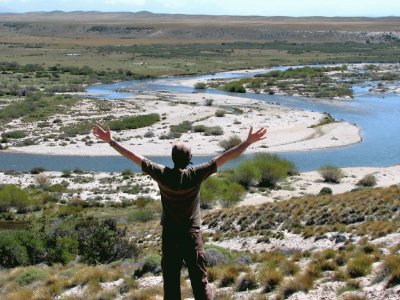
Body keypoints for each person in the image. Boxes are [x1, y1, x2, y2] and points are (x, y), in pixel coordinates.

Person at [93, 124, 267, 300]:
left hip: (170, 236)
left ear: (172, 158)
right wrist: (247, 142)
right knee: (200, 283)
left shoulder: (162, 174)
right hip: (192, 236)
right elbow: (225, 157)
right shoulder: (196, 174)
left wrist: (111, 141)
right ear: (190, 158)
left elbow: (135, 157)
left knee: (171, 283)